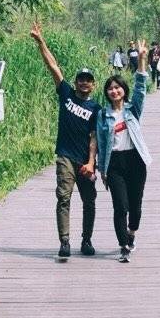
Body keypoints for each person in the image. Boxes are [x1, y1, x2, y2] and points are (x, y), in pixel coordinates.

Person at [31, 24, 99, 259]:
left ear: (93, 85)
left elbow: (94, 138)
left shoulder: (95, 109)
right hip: (66, 156)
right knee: (63, 197)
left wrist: (91, 163)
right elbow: (53, 67)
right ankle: (65, 241)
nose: (83, 83)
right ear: (76, 81)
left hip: (85, 161)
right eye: (80, 79)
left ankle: (87, 241)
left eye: (87, 80)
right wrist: (41, 42)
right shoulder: (67, 94)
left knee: (89, 201)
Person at [96, 38, 154, 262]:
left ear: (123, 90)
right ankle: (123, 245)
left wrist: (141, 58)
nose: (114, 91)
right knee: (120, 206)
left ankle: (131, 233)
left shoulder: (133, 109)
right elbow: (101, 143)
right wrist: (102, 169)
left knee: (135, 207)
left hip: (136, 160)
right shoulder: (103, 115)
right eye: (110, 89)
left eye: (117, 87)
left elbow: (140, 86)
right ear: (107, 93)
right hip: (115, 163)